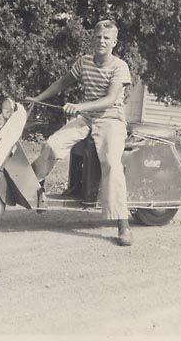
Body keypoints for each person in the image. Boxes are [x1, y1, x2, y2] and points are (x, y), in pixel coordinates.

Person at [26, 19, 133, 246]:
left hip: (111, 119)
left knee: (112, 164)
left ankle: (123, 224)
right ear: (92, 38)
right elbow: (61, 83)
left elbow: (110, 100)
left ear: (114, 42)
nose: (101, 41)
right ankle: (37, 188)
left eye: (106, 38)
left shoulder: (119, 67)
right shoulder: (83, 62)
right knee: (53, 144)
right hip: (86, 118)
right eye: (98, 37)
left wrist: (79, 106)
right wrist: (37, 99)